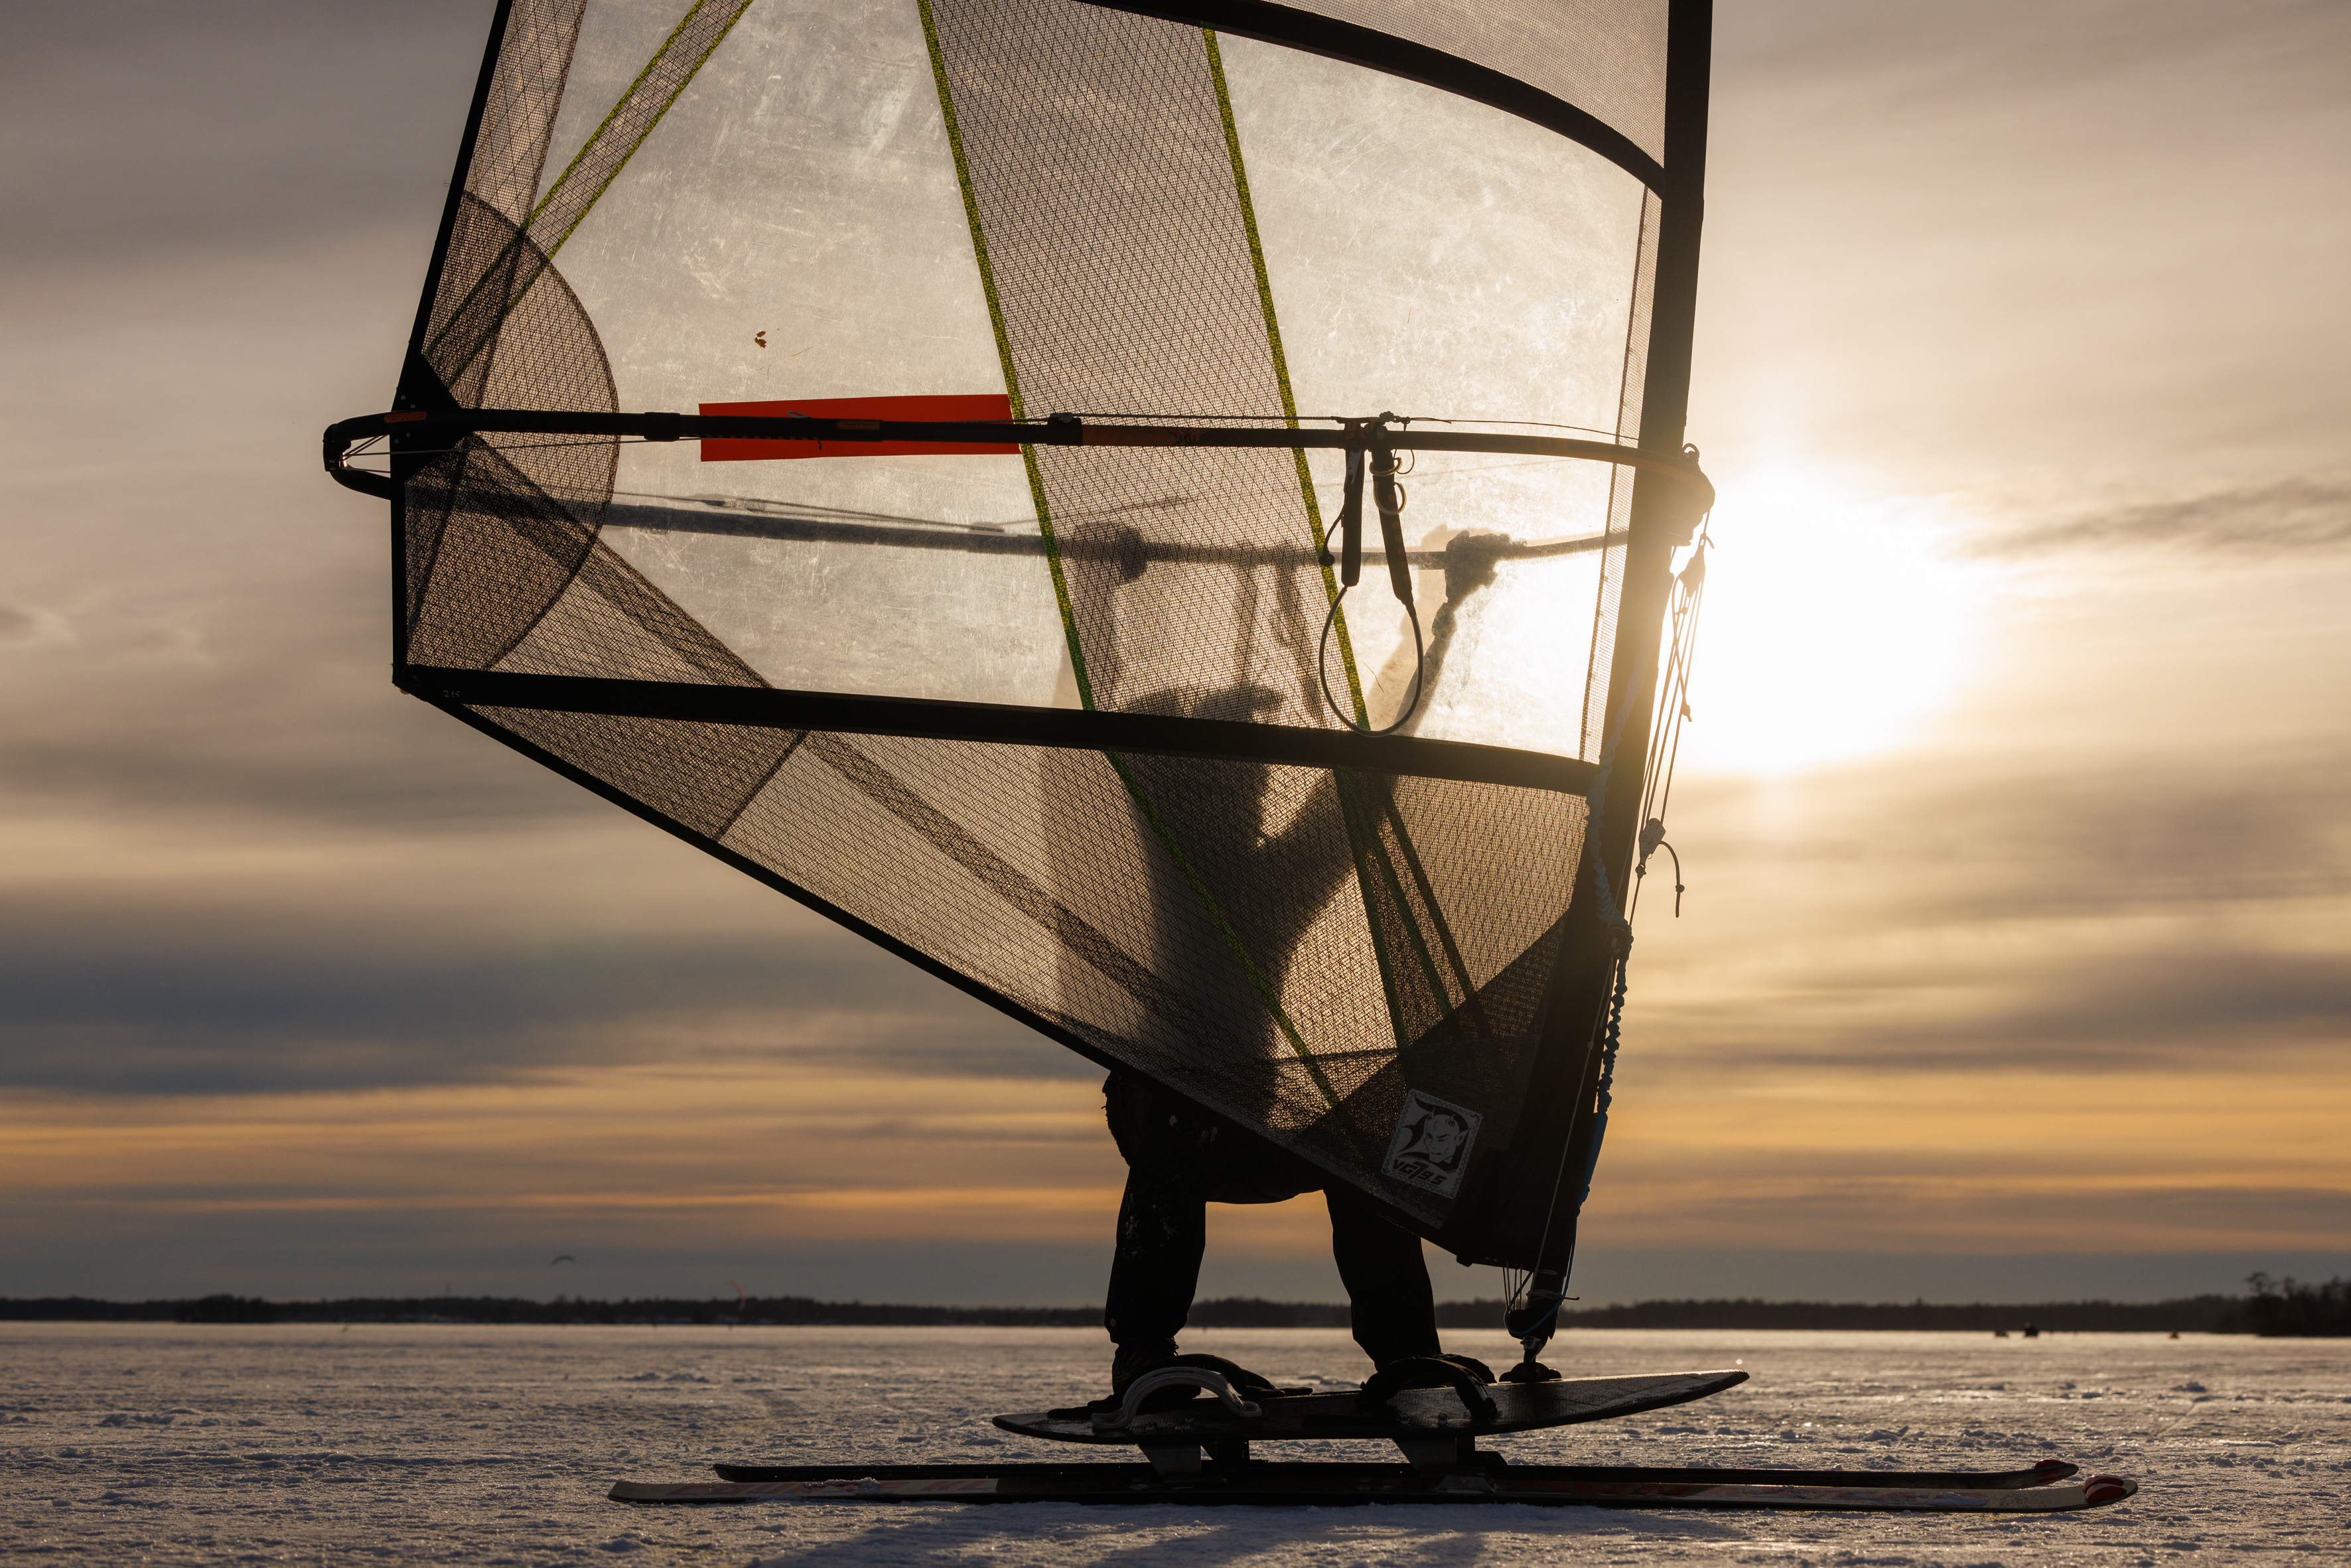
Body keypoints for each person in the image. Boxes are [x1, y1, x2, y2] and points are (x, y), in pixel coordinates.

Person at [1100, 1067, 1486, 1395]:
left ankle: (1408, 1353)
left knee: (1366, 1133)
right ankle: (1141, 1351)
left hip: (1274, 1103)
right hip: (1167, 1096)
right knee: (1181, 1111)